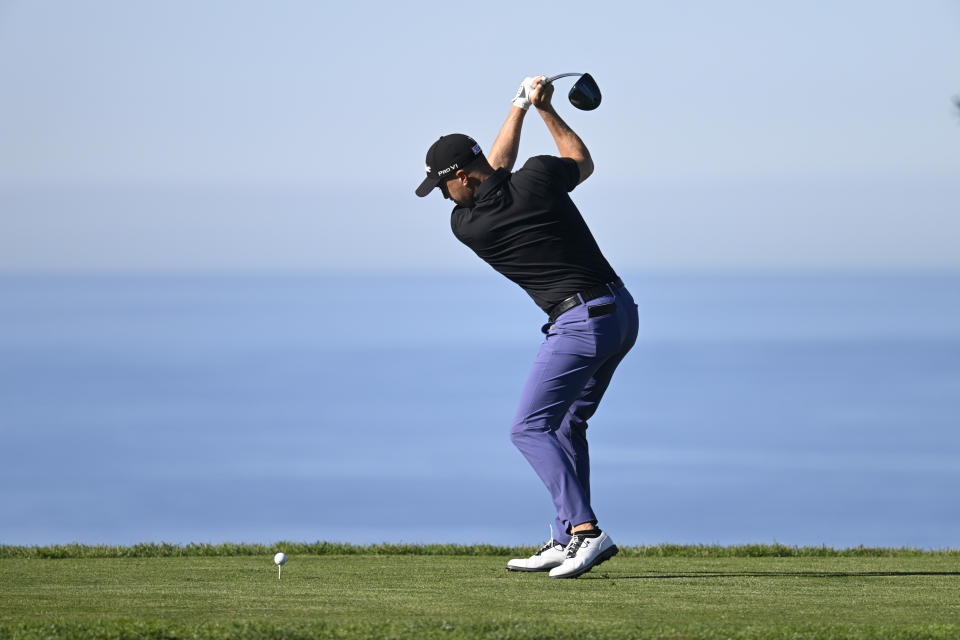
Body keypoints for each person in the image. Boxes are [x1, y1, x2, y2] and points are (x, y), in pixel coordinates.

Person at [415, 76, 639, 579]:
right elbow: (581, 160)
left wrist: (518, 109)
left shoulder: (468, 225)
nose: (443, 196)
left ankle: (585, 532)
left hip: (579, 325)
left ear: (464, 180)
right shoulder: (538, 177)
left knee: (529, 428)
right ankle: (565, 539)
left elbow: (494, 169)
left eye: (443, 185)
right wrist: (540, 109)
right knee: (565, 424)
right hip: (621, 313)